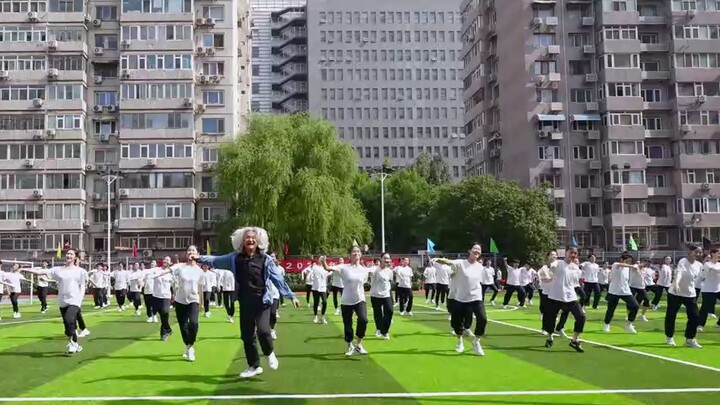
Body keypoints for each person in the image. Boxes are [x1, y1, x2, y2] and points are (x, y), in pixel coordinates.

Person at [196, 227, 300, 378]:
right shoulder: (234, 258)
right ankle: (254, 366)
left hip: (262, 302)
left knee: (264, 331)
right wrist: (198, 258)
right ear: (242, 241)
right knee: (247, 336)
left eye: (253, 237)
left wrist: (291, 296)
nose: (250, 240)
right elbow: (215, 260)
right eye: (247, 237)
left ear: (258, 241)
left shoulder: (265, 259)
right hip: (245, 302)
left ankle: (269, 353)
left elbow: (278, 279)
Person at [9, 250, 88, 353]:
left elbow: (82, 286)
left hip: (75, 300)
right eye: (67, 254)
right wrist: (23, 269)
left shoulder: (80, 271)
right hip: (63, 300)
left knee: (69, 319)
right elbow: (40, 272)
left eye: (71, 254)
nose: (68, 255)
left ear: (75, 257)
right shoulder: (59, 270)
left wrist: (80, 299)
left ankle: (72, 342)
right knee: (67, 323)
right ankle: (74, 343)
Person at [150, 246, 205, 360]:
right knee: (183, 326)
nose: (191, 252)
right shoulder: (180, 267)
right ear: (186, 254)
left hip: (193, 300)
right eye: (189, 251)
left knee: (194, 324)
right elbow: (168, 270)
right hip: (180, 300)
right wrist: (155, 275)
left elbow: (200, 287)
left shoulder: (199, 271)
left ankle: (190, 344)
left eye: (193, 251)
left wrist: (202, 303)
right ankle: (189, 347)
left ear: (197, 254)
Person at [432, 244, 487, 356]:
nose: (476, 251)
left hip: (476, 298)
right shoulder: (461, 263)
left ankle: (476, 342)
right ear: (470, 251)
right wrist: (437, 259)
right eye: (474, 249)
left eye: (479, 250)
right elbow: (448, 262)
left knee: (483, 319)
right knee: (457, 322)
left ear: (480, 253)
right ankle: (460, 341)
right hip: (461, 298)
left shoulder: (481, 267)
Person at [320, 246, 373, 356]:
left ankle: (359, 344)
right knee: (348, 325)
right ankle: (349, 345)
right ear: (350, 255)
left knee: (363, 320)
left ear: (361, 254)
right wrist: (324, 261)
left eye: (358, 251)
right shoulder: (343, 267)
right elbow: (328, 268)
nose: (356, 253)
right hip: (347, 300)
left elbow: (378, 269)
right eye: (354, 251)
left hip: (360, 299)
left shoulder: (364, 269)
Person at [541, 246, 585, 353]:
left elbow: (575, 282)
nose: (573, 255)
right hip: (555, 296)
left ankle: (574, 340)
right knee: (550, 319)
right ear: (566, 253)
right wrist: (550, 262)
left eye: (575, 253)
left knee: (581, 317)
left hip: (570, 297)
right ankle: (550, 337)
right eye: (571, 253)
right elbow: (551, 266)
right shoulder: (558, 263)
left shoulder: (575, 267)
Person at [665, 244, 704, 348]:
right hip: (675, 293)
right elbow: (679, 273)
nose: (698, 254)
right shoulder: (683, 261)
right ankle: (669, 337)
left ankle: (690, 339)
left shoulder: (699, 265)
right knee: (671, 315)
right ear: (689, 252)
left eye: (700, 252)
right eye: (696, 252)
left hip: (690, 293)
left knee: (695, 317)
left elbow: (701, 278)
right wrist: (676, 283)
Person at [603, 252, 642, 334]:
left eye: (630, 261)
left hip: (625, 291)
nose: (629, 263)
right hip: (614, 291)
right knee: (611, 309)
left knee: (635, 306)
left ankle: (629, 324)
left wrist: (637, 269)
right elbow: (621, 265)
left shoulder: (627, 268)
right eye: (627, 261)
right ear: (622, 259)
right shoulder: (615, 264)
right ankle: (606, 324)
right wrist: (632, 266)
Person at [145, 256, 175, 340]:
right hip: (156, 296)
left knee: (165, 312)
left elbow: (174, 285)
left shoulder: (171, 273)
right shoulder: (157, 270)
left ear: (170, 262)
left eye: (167, 260)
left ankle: (164, 333)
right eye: (164, 259)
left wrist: (175, 294)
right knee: (161, 315)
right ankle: (168, 329)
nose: (165, 261)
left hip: (166, 297)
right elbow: (148, 273)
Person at [370, 253, 394, 339]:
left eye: (388, 258)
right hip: (375, 295)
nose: (386, 260)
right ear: (381, 259)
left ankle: (385, 331)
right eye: (385, 258)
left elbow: (389, 282)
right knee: (378, 314)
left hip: (386, 295)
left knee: (390, 311)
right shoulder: (374, 269)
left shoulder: (390, 271)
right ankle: (378, 329)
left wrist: (390, 294)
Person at [698, 248, 720, 332]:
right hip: (708, 290)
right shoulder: (707, 264)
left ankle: (718, 324)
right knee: (705, 308)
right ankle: (700, 325)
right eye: (718, 253)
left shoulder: (719, 264)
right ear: (712, 254)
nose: (719, 255)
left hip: (718, 289)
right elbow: (715, 270)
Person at [537, 251, 558, 328]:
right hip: (546, 292)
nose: (554, 256)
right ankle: (545, 328)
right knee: (546, 311)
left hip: (556, 292)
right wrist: (555, 278)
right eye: (552, 255)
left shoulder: (559, 266)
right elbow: (544, 279)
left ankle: (556, 328)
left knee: (555, 311)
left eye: (555, 255)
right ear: (548, 257)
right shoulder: (544, 268)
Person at [310, 257, 332, 324]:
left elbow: (329, 272)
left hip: (323, 288)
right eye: (320, 259)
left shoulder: (325, 268)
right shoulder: (315, 267)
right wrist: (313, 281)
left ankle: (322, 316)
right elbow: (311, 275)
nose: (321, 260)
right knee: (316, 302)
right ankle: (315, 316)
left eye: (323, 259)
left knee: (324, 302)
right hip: (315, 288)